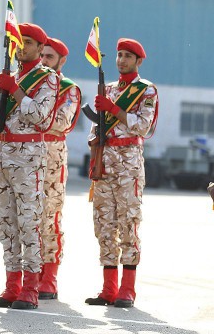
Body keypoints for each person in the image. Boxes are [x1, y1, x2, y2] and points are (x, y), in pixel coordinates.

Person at [0, 23, 58, 310]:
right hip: (1, 157)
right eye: (18, 42)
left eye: (27, 42)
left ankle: (30, 289)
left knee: (28, 223)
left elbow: (41, 117)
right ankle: (11, 286)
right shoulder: (8, 77)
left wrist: (17, 92)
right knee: (6, 225)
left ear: (40, 47)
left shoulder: (46, 79)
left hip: (28, 159)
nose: (21, 47)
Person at [85, 38, 158, 308]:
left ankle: (127, 289)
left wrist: (114, 109)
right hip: (105, 162)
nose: (121, 60)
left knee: (129, 223)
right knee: (104, 226)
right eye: (119, 55)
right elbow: (96, 131)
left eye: (127, 56)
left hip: (128, 165)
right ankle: (108, 288)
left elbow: (143, 127)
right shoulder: (110, 89)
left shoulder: (146, 90)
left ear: (138, 61)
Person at [38, 37, 81, 299]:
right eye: (41, 56)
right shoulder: (32, 84)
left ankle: (49, 277)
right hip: (25, 156)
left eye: (50, 57)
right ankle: (27, 275)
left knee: (49, 218)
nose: (43, 61)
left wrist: (33, 112)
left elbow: (61, 122)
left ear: (62, 61)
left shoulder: (68, 88)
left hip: (52, 155)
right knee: (25, 219)